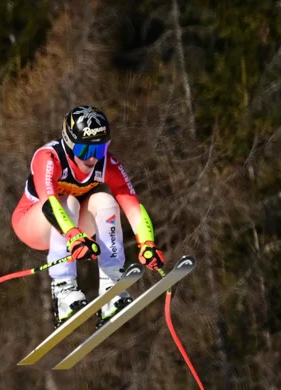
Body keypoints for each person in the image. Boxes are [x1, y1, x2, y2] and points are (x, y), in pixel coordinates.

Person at [11, 105, 166, 329]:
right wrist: (74, 235)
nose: (92, 158)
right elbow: (49, 203)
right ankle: (63, 288)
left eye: (99, 149)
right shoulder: (49, 158)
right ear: (70, 143)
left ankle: (111, 285)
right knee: (69, 202)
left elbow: (132, 206)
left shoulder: (107, 165)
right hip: (33, 223)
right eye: (85, 150)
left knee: (107, 202)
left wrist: (147, 244)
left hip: (70, 229)